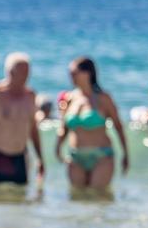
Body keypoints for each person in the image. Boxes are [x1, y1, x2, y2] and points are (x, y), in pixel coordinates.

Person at [55, 56, 129, 190]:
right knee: (77, 198)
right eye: (70, 74)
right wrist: (58, 148)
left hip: (101, 156)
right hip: (75, 156)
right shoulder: (69, 98)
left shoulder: (103, 98)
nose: (71, 77)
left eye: (74, 73)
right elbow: (64, 128)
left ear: (87, 73)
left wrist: (126, 154)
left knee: (98, 198)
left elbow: (118, 127)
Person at [0, 52, 44, 187]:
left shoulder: (30, 96)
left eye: (27, 73)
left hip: (19, 157)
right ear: (10, 72)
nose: (25, 77)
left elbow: (33, 130)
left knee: (20, 200)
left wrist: (40, 159)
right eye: (21, 72)